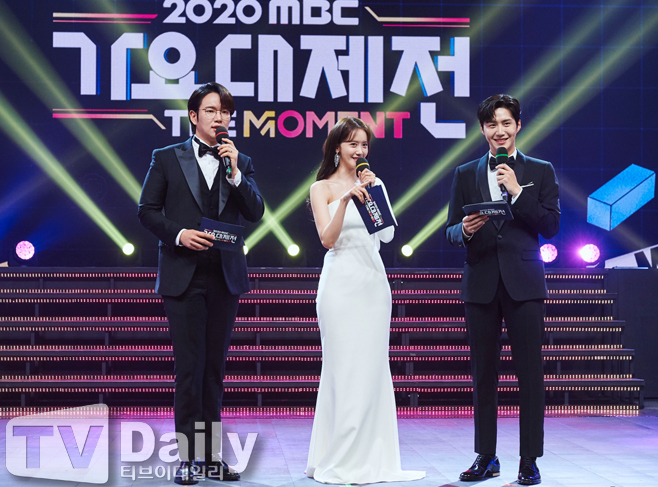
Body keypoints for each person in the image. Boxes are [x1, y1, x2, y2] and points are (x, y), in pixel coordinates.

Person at [138, 82, 264, 485]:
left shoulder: (239, 161)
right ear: (194, 116)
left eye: (225, 112)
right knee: (189, 370)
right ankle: (188, 458)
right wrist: (179, 235)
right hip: (183, 275)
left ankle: (211, 458)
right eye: (211, 110)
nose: (219, 117)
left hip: (224, 277)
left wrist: (236, 174)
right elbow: (147, 210)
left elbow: (256, 212)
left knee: (214, 371)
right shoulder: (166, 157)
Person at [445, 94, 560, 485]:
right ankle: (486, 456)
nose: (499, 130)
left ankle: (529, 460)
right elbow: (449, 230)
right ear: (482, 130)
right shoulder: (465, 173)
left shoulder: (540, 170)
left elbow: (551, 226)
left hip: (524, 283)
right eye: (492, 124)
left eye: (506, 122)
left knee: (530, 374)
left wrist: (518, 192)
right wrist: (463, 230)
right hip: (480, 282)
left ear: (518, 126)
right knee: (483, 375)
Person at [306, 117, 425, 484]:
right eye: (352, 144)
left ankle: (373, 457)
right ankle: (336, 456)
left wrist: (371, 193)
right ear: (337, 148)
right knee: (343, 369)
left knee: (371, 370)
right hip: (339, 285)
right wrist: (345, 200)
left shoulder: (375, 183)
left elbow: (386, 235)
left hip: (373, 284)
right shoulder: (321, 188)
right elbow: (327, 239)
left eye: (364, 145)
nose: (359, 151)